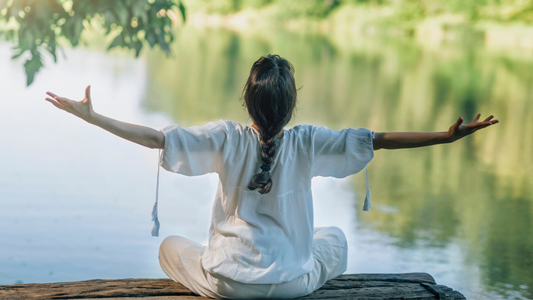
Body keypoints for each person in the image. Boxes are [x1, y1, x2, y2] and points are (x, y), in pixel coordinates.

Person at [45, 54, 499, 299]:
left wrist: (94, 118)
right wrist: (445, 137)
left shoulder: (225, 137)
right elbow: (378, 139)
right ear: (291, 103)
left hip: (228, 283)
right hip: (290, 284)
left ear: (247, 99)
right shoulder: (310, 141)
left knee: (169, 247)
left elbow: (154, 139)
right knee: (335, 238)